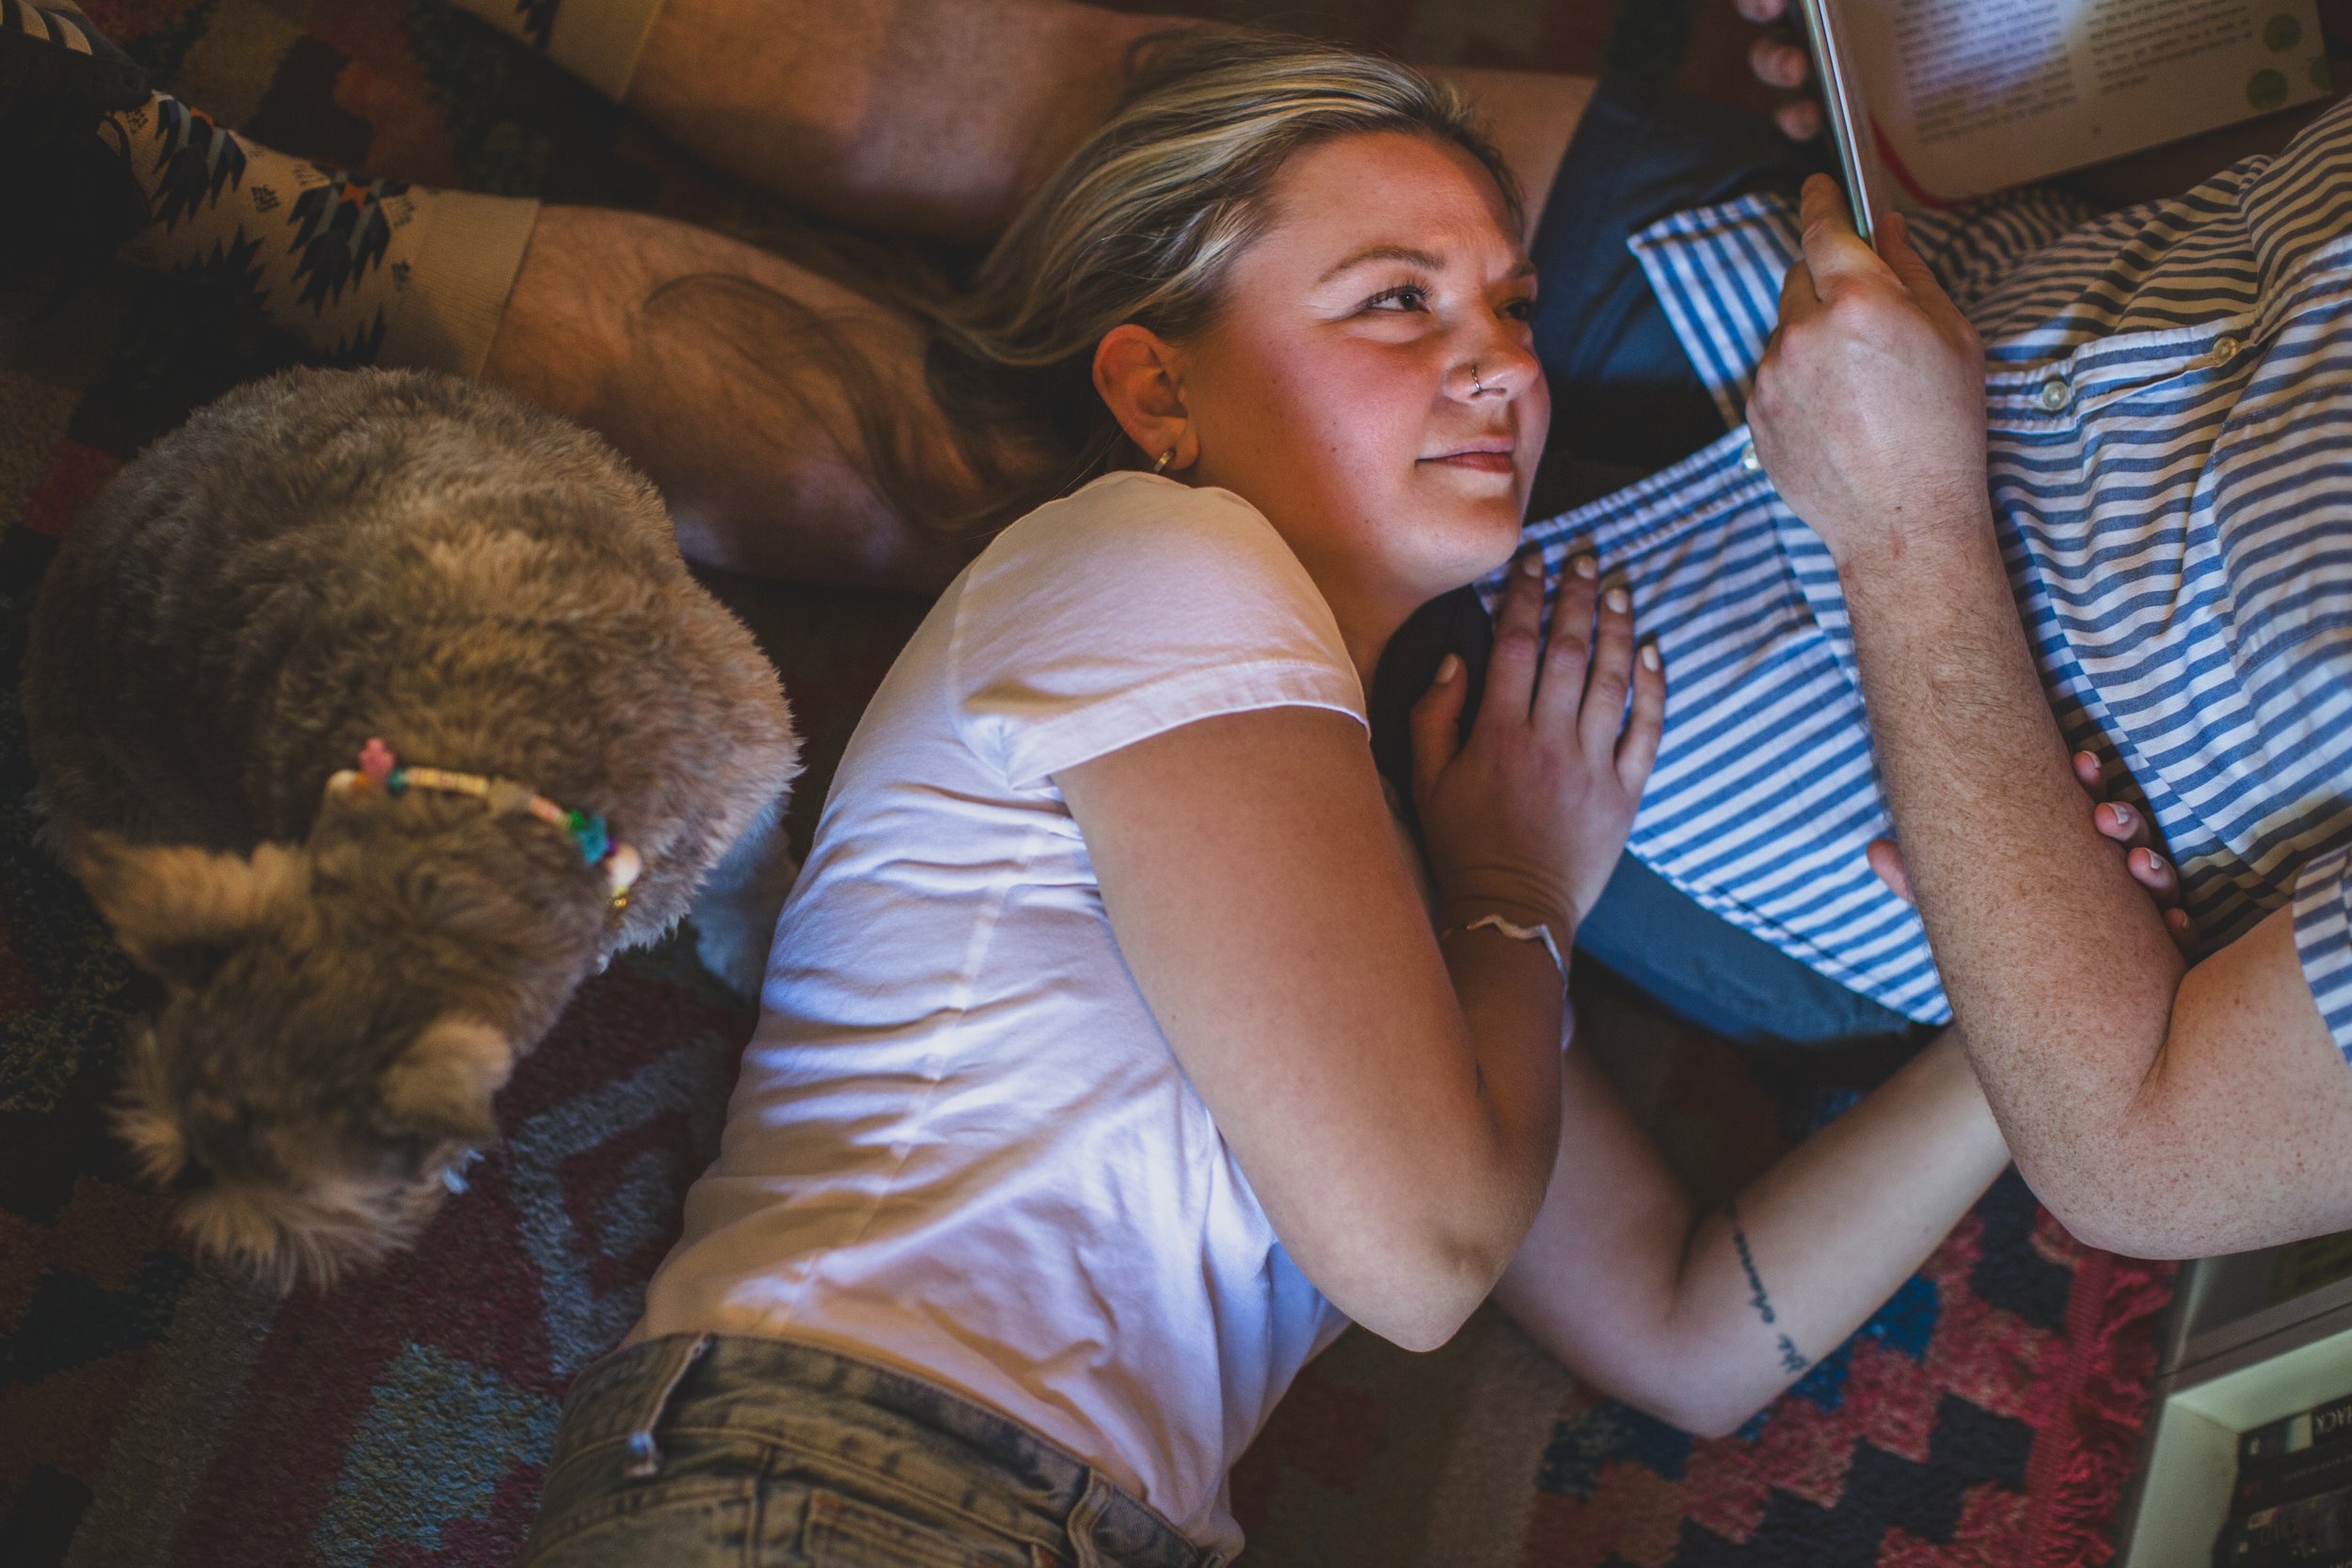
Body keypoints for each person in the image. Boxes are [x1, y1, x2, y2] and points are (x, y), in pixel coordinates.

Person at [7, 13, 2045, 1566]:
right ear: (1159, 391)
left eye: (1507, 304)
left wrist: (2013, 1022)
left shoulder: (1387, 894)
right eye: (1394, 302)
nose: (1505, 362)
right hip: (856, 1472)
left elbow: (1690, 1333)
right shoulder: (1162, 569)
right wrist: (1518, 889)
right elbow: (1422, 1249)